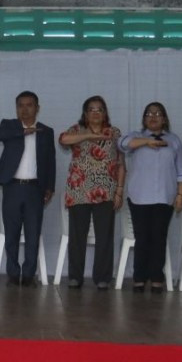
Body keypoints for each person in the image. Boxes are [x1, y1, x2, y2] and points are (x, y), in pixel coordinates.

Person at [118, 102, 182, 293]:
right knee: (142, 238)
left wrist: (181, 195)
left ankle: (157, 277)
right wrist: (147, 142)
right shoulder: (136, 136)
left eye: (158, 113)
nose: (153, 116)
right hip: (139, 197)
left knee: (159, 237)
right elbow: (122, 144)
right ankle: (139, 277)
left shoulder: (173, 140)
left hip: (164, 197)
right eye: (149, 113)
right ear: (144, 118)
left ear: (164, 118)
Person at [59, 95, 126, 289]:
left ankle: (103, 277)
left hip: (106, 191)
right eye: (91, 109)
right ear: (85, 113)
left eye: (99, 109)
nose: (95, 113)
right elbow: (63, 140)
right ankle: (75, 276)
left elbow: (121, 164)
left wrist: (119, 191)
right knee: (77, 236)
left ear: (105, 113)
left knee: (104, 236)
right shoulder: (76, 130)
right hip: (79, 190)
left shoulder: (114, 132)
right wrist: (89, 136)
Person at [0, 91, 57, 286]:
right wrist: (23, 132)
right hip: (12, 187)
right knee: (11, 233)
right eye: (21, 105)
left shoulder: (46, 131)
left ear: (37, 108)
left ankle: (29, 273)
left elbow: (51, 161)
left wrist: (49, 187)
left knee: (32, 233)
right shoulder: (9, 126)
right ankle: (13, 272)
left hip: (34, 189)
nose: (25, 109)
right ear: (16, 108)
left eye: (29, 105)